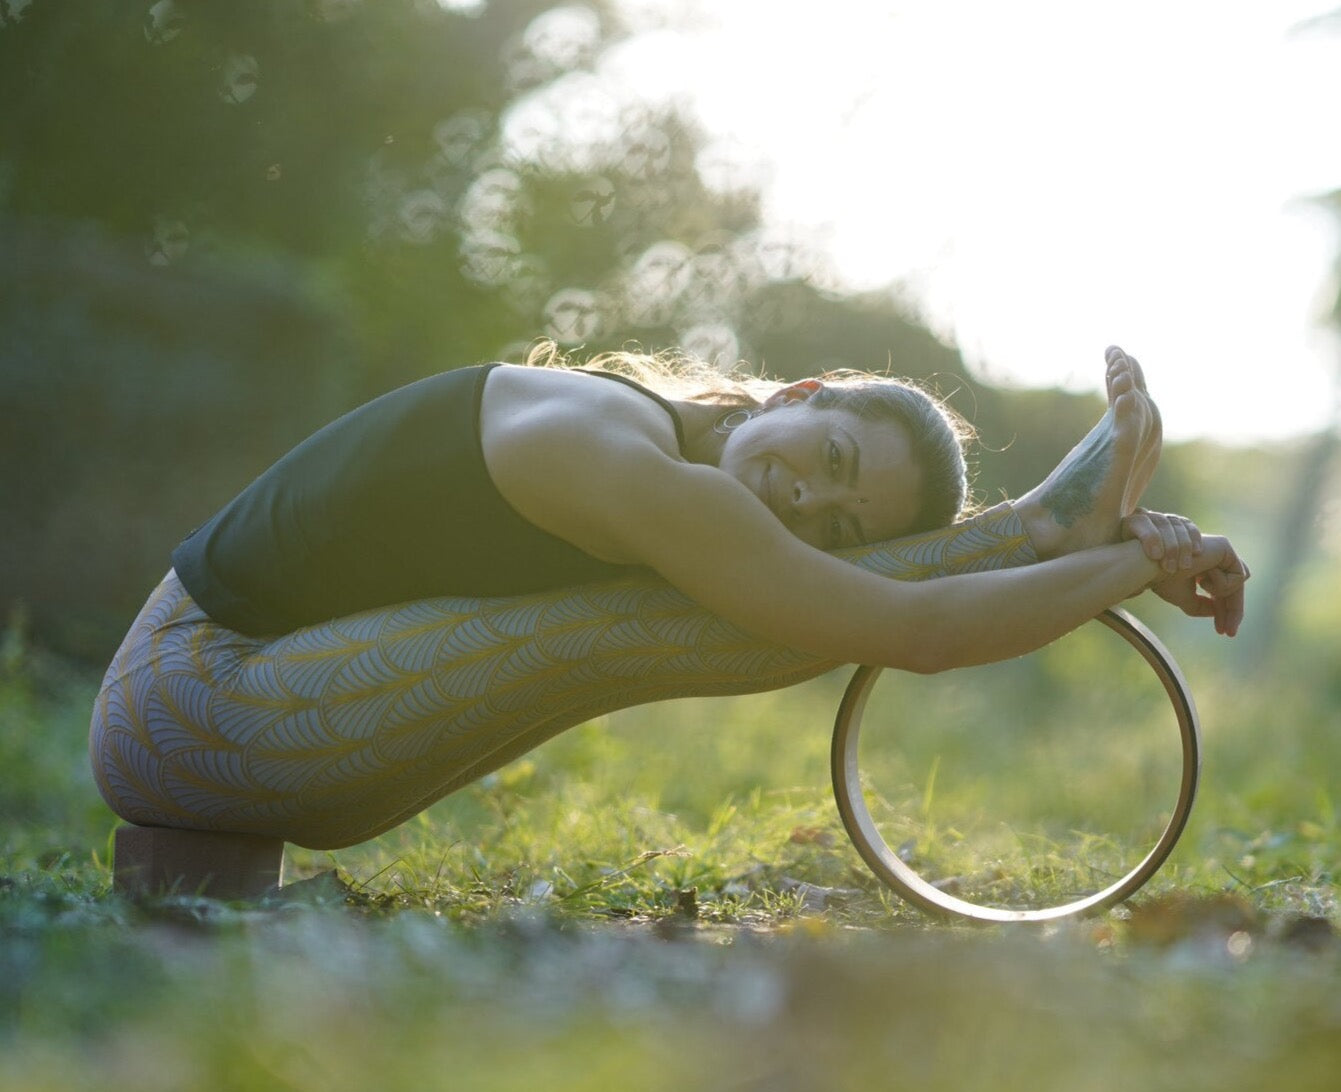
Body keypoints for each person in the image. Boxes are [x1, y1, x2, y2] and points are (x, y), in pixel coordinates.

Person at [89, 344, 1248, 851]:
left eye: (838, 525)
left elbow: (867, 603)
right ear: (796, 393)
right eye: (829, 458)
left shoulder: (688, 469)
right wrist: (1129, 564)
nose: (803, 500)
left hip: (295, 731)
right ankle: (1041, 521)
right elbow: (910, 632)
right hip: (192, 708)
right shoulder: (622, 457)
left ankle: (1040, 521)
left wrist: (1104, 555)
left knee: (762, 602)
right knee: (719, 619)